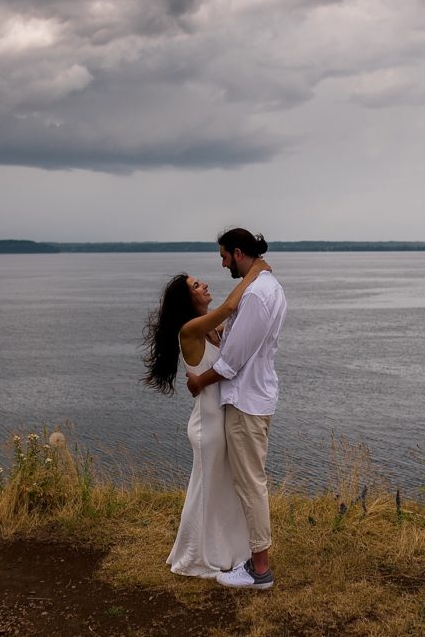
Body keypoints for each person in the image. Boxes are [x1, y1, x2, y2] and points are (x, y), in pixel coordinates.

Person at [142, 257, 271, 578]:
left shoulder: (212, 330)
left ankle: (222, 551)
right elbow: (230, 307)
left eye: (200, 282)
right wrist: (254, 273)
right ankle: (195, 556)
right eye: (197, 286)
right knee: (205, 492)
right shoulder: (190, 330)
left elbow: (238, 325)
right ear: (187, 300)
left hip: (221, 419)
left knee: (221, 490)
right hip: (208, 425)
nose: (205, 285)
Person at [186, 228, 286, 590]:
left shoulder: (257, 294)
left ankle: (260, 570)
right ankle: (251, 558)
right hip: (254, 396)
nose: (223, 264)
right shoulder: (266, 285)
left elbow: (232, 362)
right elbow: (235, 339)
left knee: (250, 483)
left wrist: (199, 381)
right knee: (249, 481)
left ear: (239, 253)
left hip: (246, 401)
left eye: (224, 256)